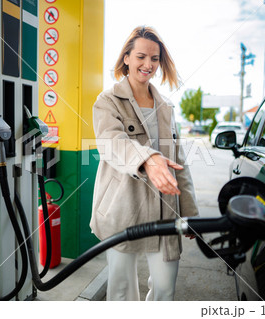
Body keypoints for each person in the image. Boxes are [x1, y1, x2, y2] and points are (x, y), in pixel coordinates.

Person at [90, 26, 199, 301]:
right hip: (122, 206)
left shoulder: (166, 107)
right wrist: (148, 158)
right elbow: (110, 142)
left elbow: (179, 160)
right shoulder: (108, 101)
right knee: (121, 290)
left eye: (154, 59)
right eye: (141, 56)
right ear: (126, 58)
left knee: (165, 288)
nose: (148, 64)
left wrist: (189, 211)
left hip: (164, 209)